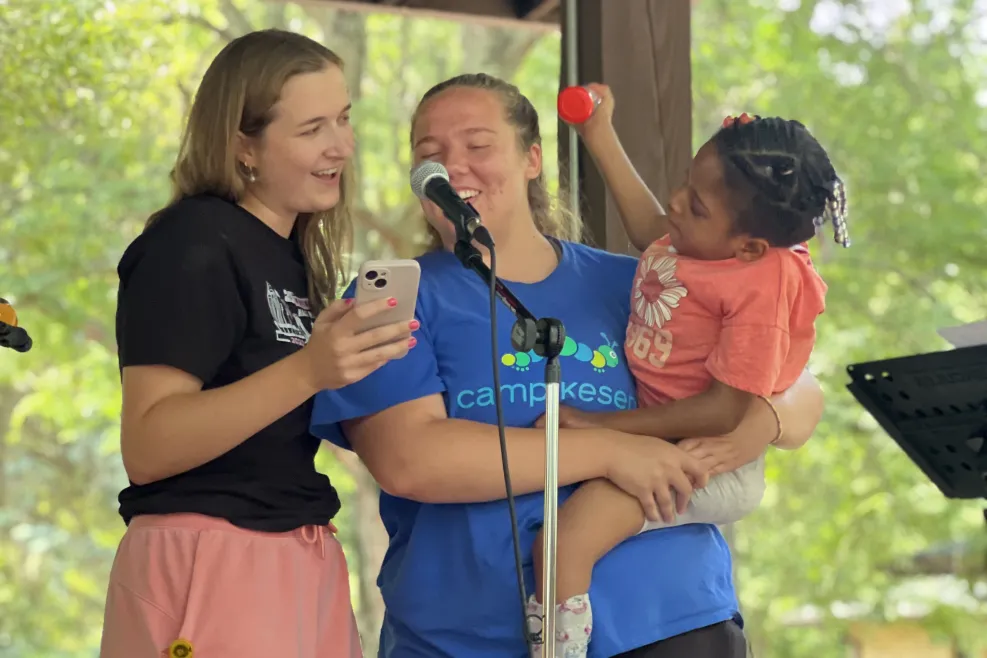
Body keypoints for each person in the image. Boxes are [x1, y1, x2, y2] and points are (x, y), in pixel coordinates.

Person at [311, 73, 825, 658]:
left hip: (673, 622)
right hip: (466, 637)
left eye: (478, 146)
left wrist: (761, 418)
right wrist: (609, 450)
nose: (453, 167)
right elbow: (411, 460)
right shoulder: (396, 297)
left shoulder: (637, 280)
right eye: (429, 154)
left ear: (533, 159)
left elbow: (796, 380)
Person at [99, 29, 417, 658]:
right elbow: (148, 443)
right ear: (244, 146)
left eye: (345, 119)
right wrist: (309, 371)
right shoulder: (191, 242)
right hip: (210, 556)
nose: (341, 146)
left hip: (298, 556)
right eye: (312, 129)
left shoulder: (289, 256)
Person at [527, 88, 851, 657]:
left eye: (696, 206)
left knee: (567, 542)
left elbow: (725, 410)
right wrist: (599, 133)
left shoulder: (759, 290)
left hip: (714, 453)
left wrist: (603, 428)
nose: (676, 203)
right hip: (677, 433)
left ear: (750, 248)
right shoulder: (699, 244)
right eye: (684, 184)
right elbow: (647, 225)